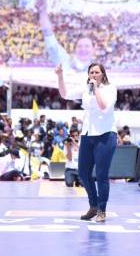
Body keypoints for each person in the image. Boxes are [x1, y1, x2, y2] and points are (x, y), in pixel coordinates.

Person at [56, 62, 117, 222]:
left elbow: (104, 107)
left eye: (97, 72)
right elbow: (65, 94)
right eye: (91, 72)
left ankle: (102, 210)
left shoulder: (110, 89)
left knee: (102, 175)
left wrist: (96, 87)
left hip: (105, 135)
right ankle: (94, 205)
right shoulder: (85, 89)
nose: (93, 75)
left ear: (103, 74)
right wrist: (60, 76)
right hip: (88, 134)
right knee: (83, 172)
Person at [36, 0, 96, 73]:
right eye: (80, 46)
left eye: (87, 46)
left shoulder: (99, 70)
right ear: (75, 49)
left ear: (94, 49)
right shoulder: (64, 61)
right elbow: (49, 38)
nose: (83, 49)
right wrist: (42, 12)